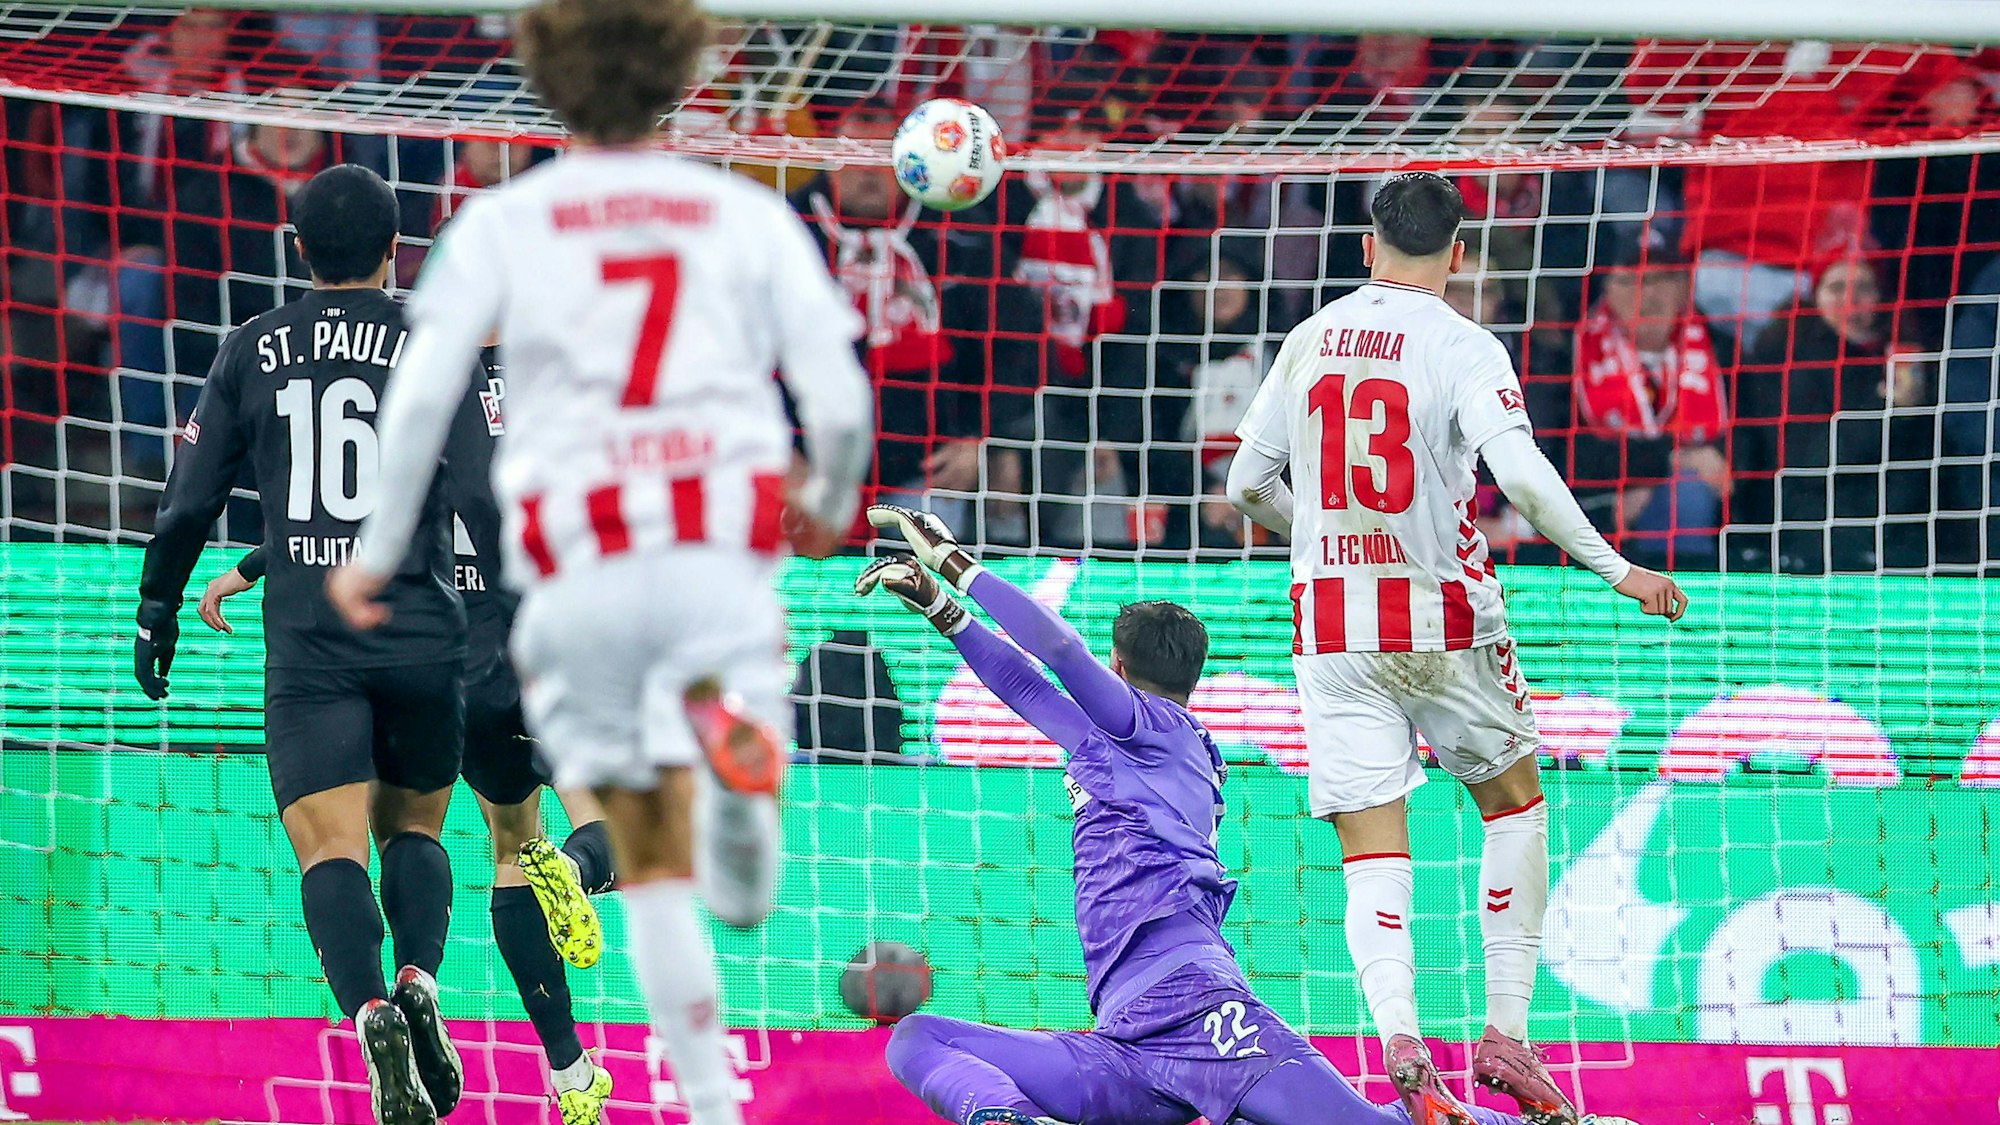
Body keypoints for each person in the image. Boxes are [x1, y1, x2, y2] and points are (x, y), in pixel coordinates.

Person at [323, 1, 875, 1122]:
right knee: (741, 881)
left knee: (632, 856)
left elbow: (418, 400)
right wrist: (826, 498)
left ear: (546, 81)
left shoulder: (500, 227)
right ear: (679, 75)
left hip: (566, 585)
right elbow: (839, 394)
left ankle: (688, 1097)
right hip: (710, 565)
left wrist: (374, 552)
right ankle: (735, 799)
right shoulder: (742, 216)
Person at [860, 506, 1638, 1125]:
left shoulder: (1155, 731)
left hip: (1198, 1009)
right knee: (918, 1036)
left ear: (1124, 671)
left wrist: (955, 565)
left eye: (1110, 669)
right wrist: (943, 611)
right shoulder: (1112, 747)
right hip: (1127, 1043)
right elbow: (1028, 690)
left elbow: (1057, 652)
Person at [1224, 172, 1687, 1125]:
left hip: (1332, 623)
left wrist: (1318, 531)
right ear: (1460, 254)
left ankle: (1399, 1037)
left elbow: (1243, 482)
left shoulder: (1309, 338)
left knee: (1371, 849)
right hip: (1441, 615)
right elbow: (1517, 471)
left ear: (1366, 248)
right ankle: (1506, 1037)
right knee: (1513, 807)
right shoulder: (1466, 345)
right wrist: (1615, 569)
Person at [198, 349, 621, 1125]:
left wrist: (255, 565)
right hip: (531, 643)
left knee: (481, 842)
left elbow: (357, 505)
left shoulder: (413, 383)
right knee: (609, 823)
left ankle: (560, 1065)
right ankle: (578, 871)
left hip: (430, 657)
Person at [131, 163, 466, 1125]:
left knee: (331, 847)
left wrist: (159, 604)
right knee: (417, 830)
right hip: (419, 629)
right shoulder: (433, 342)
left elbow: (190, 494)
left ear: (297, 249)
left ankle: (368, 1013)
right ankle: (418, 984)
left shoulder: (252, 345)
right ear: (397, 253)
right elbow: (482, 490)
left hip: (313, 641)